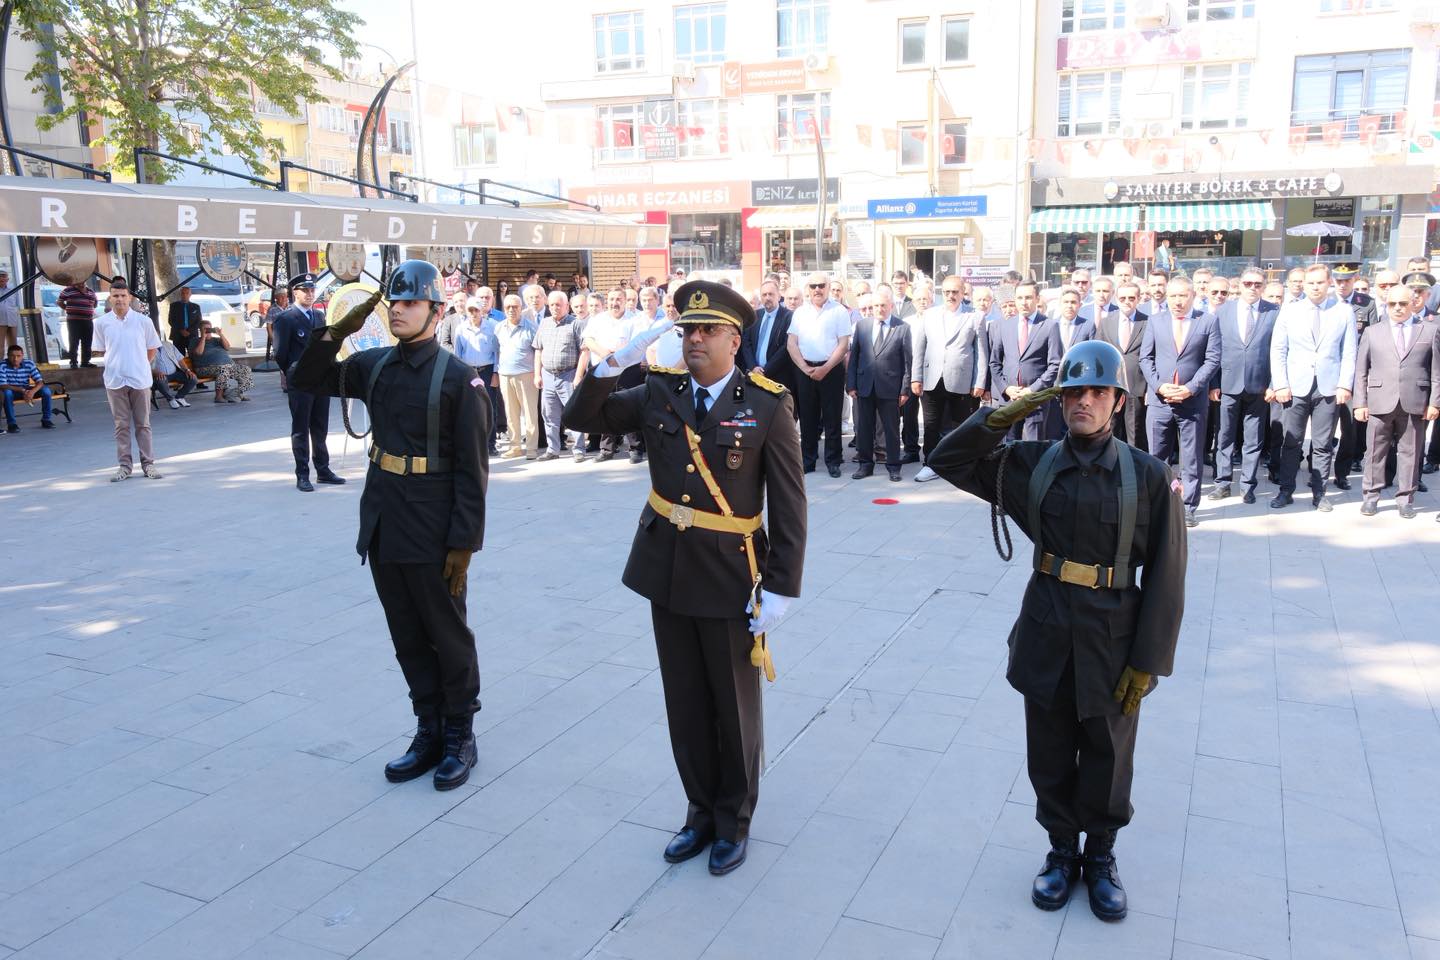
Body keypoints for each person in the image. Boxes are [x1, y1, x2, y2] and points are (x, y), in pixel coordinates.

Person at [928, 339, 1185, 924]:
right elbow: (948, 459)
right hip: (1046, 629)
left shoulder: (1148, 476)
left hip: (1113, 639)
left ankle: (1100, 858)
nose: (1084, 402)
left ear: (1118, 402)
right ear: (1058, 398)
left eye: (1097, 392)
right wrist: (1005, 414)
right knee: (1047, 752)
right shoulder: (1031, 463)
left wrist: (1149, 660)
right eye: (1073, 392)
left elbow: (1169, 576)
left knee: (1107, 753)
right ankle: (1060, 851)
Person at [561, 280, 807, 877]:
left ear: (733, 339)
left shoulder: (767, 404)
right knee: (686, 702)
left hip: (730, 576)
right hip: (666, 571)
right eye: (686, 330)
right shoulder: (658, 392)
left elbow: (791, 505)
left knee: (733, 704)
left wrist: (781, 587)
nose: (694, 340)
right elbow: (579, 416)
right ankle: (699, 808)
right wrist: (611, 364)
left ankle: (734, 818)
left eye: (707, 331)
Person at [288, 260, 490, 791]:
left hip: (434, 527)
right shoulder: (374, 364)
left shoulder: (458, 379)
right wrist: (333, 332)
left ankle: (459, 734)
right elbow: (304, 379)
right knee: (405, 634)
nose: (397, 309)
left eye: (410, 302)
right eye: (393, 302)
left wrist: (464, 544)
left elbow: (474, 472)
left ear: (435, 311)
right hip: (384, 520)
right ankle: (427, 727)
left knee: (446, 633)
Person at [1269, 263, 1358, 512]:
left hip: (1328, 388)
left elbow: (1349, 351)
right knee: (1291, 441)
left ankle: (1320, 493)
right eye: (1310, 282)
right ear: (1303, 285)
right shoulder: (1289, 311)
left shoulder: (1343, 311)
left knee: (1322, 444)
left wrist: (1344, 384)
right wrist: (1281, 384)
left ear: (1329, 283)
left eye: (1320, 282)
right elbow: (1278, 350)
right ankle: (1286, 491)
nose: (1315, 286)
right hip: (1295, 387)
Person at [1138, 276, 1221, 527]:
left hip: (1191, 402)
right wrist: (1159, 386)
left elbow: (1212, 359)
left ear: (1193, 295)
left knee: (1191, 457)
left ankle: (1188, 507)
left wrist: (1190, 388)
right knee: (1157, 457)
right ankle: (1158, 503)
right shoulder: (1155, 321)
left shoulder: (1207, 321)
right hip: (1160, 401)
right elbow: (1146, 359)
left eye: (1182, 295)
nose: (1177, 301)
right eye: (1173, 295)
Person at [1353, 287, 1440, 519]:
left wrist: (1435, 402)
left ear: (1414, 302)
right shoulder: (1373, 332)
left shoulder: (1430, 331)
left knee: (1411, 452)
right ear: (1386, 305)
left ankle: (1406, 499)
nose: (1398, 308)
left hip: (1416, 401)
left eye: (1403, 303)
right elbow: (1361, 370)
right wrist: (1359, 402)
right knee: (1374, 452)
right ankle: (1371, 496)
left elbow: (1436, 372)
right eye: (1392, 304)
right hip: (1380, 401)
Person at [1209, 268, 1279, 505]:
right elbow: (1214, 350)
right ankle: (1222, 483)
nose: (1252, 288)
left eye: (1257, 284)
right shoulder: (1223, 310)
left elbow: (1277, 351)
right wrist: (1214, 383)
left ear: (1263, 286)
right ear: (1240, 284)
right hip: (1228, 383)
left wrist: (1273, 384)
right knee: (1225, 436)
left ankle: (1248, 485)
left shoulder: (1273, 312)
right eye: (1248, 283)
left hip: (1259, 386)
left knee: (1253, 439)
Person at [911, 274, 987, 481]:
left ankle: (959, 465)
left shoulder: (975, 317)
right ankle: (930, 464)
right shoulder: (930, 315)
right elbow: (919, 348)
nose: (950, 296)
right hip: (932, 378)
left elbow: (981, 352)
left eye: (955, 291)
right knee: (931, 425)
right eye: (946, 292)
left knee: (961, 426)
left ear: (963, 293)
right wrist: (915, 377)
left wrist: (979, 382)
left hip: (961, 381)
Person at [271, 274, 343, 492]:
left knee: (320, 428)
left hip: (321, 380)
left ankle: (323, 470)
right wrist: (293, 374)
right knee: (301, 429)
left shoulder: (319, 316)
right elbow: (281, 354)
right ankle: (302, 474)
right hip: (301, 382)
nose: (310, 294)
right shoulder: (286, 319)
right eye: (306, 291)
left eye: (312, 291)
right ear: (296, 292)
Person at [92, 278, 162, 481]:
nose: (120, 299)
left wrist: (140, 365)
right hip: (115, 381)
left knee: (143, 424)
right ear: (110, 298)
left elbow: (152, 349)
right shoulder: (101, 323)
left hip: (139, 380)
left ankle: (148, 464)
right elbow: (102, 350)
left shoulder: (143, 321)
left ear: (130, 298)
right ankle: (124, 466)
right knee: (121, 425)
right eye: (115, 296)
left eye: (123, 296)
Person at [786, 272, 852, 477]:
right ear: (808, 288)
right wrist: (805, 368)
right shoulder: (800, 312)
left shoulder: (839, 311)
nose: (817, 289)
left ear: (828, 286)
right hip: (805, 370)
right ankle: (808, 460)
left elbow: (843, 344)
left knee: (832, 417)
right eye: (813, 286)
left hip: (831, 370)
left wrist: (825, 368)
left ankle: (833, 461)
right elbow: (791, 343)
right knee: (807, 418)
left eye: (821, 285)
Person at [848, 285, 912, 481]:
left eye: (883, 305)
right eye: (876, 306)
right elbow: (854, 357)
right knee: (864, 428)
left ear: (891, 306)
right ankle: (865, 465)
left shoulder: (902, 328)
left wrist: (905, 389)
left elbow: (907, 361)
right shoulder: (862, 326)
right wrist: (850, 384)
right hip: (864, 386)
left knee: (891, 429)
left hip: (890, 388)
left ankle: (893, 466)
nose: (879, 309)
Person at [987, 282, 1062, 441]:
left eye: (1028, 297)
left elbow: (1055, 365)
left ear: (1037, 298)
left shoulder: (1049, 326)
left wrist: (1032, 389)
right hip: (1009, 400)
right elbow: (994, 363)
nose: (1023, 302)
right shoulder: (1004, 326)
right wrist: (1006, 388)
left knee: (1032, 450)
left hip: (1035, 400)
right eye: (1019, 298)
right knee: (1007, 449)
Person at [584, 288, 643, 462]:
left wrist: (619, 354)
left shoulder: (635, 319)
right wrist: (604, 354)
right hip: (604, 368)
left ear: (625, 301)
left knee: (630, 406)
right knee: (605, 407)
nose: (614, 303)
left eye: (618, 299)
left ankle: (636, 448)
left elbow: (638, 343)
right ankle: (607, 449)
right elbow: (588, 340)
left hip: (627, 370)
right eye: (611, 299)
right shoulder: (598, 319)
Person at [534, 289, 589, 462]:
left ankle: (579, 449)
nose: (555, 308)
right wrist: (537, 374)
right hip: (548, 376)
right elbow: (538, 350)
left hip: (568, 375)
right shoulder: (544, 323)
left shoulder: (575, 324)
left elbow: (585, 351)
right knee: (549, 415)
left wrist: (578, 376)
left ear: (566, 306)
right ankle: (553, 449)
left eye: (558, 304)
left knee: (574, 413)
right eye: (551, 305)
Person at [1093, 281, 1148, 450]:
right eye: (1122, 298)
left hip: (1137, 386)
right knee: (1111, 428)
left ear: (1138, 299)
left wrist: (1148, 389)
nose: (1127, 301)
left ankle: (1133, 467)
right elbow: (1098, 354)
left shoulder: (1147, 322)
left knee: (1135, 432)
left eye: (1131, 298)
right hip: (1111, 385)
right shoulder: (1106, 322)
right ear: (1116, 298)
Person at [452, 297, 503, 457]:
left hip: (487, 371)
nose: (473, 313)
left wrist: (495, 372)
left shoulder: (492, 327)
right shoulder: (461, 329)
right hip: (469, 372)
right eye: (470, 310)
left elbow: (497, 352)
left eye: (476, 310)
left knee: (489, 408)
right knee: (469, 407)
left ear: (482, 311)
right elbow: (457, 354)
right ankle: (473, 443)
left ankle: (490, 444)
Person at [495, 294, 539, 459]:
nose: (512, 310)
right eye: (508, 307)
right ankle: (515, 447)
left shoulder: (531, 327)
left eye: (515, 307)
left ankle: (531, 448)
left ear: (521, 308)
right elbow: (496, 351)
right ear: (504, 309)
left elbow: (538, 353)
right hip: (505, 374)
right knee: (511, 413)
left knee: (529, 412)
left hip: (526, 374)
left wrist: (537, 374)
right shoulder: (498, 327)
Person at [739, 279, 797, 403]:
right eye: (764, 295)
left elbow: (786, 347)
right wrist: (753, 367)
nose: (767, 298)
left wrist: (765, 370)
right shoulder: (754, 316)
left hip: (777, 377)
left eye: (771, 294)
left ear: (779, 296)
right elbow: (746, 343)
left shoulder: (788, 316)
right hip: (753, 376)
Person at [189, 320, 253, 403]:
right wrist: (203, 338)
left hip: (228, 366)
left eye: (209, 328)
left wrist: (220, 334)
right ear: (200, 330)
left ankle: (237, 393)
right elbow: (198, 352)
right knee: (223, 370)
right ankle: (218, 396)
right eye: (205, 329)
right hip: (204, 368)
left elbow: (227, 347)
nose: (208, 331)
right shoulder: (195, 341)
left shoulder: (216, 340)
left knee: (246, 369)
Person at [0, 344, 54, 430]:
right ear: (8, 356)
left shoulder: (29, 363)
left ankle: (46, 419)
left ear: (22, 355)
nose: (15, 359)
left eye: (18, 356)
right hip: (12, 390)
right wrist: (22, 390)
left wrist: (32, 392)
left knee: (46, 391)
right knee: (7, 393)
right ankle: (12, 424)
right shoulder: (2, 365)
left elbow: (40, 382)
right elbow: (3, 385)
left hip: (26, 389)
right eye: (12, 356)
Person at [58, 280, 98, 368]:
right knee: (73, 341)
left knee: (87, 341)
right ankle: (73, 362)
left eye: (83, 282)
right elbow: (59, 302)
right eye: (79, 282)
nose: (81, 284)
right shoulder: (68, 290)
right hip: (74, 320)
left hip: (87, 320)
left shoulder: (91, 292)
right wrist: (68, 309)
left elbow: (95, 304)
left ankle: (85, 362)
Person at [151, 337, 196, 409]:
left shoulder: (168, 344)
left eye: (156, 334)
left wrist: (187, 370)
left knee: (193, 378)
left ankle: (180, 397)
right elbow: (145, 365)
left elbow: (179, 359)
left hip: (175, 373)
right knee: (160, 381)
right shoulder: (145, 348)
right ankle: (170, 399)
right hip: (160, 375)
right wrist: (155, 372)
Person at [166, 286, 202, 354]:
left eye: (187, 293)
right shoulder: (173, 306)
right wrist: (181, 330)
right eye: (183, 293)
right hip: (178, 335)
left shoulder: (196, 307)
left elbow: (198, 321)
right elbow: (171, 320)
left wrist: (189, 331)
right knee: (179, 357)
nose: (185, 295)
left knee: (193, 355)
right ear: (180, 294)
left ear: (190, 294)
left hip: (192, 335)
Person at [0, 270, 21, 354]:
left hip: (12, 320)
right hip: (0, 320)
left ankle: (12, 364)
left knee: (13, 345)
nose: (1, 279)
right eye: (0, 277)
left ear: (7, 279)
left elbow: (17, 303)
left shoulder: (12, 289)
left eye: (3, 277)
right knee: (0, 346)